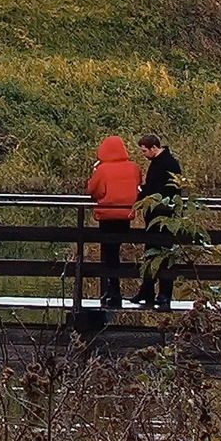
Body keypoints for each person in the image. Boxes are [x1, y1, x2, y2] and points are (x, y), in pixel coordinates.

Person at [86, 133, 143, 314]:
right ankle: (115, 289)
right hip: (125, 216)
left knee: (109, 253)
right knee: (115, 251)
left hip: (107, 217)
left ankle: (113, 290)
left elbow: (93, 191)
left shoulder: (102, 170)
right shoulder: (134, 168)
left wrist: (95, 172)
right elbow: (138, 185)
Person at [136, 133, 185, 311]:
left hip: (163, 217)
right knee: (151, 253)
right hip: (157, 216)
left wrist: (141, 193)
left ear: (153, 148)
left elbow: (161, 189)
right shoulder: (162, 163)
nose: (143, 154)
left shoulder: (167, 164)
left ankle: (163, 294)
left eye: (144, 151)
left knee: (163, 254)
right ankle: (147, 291)